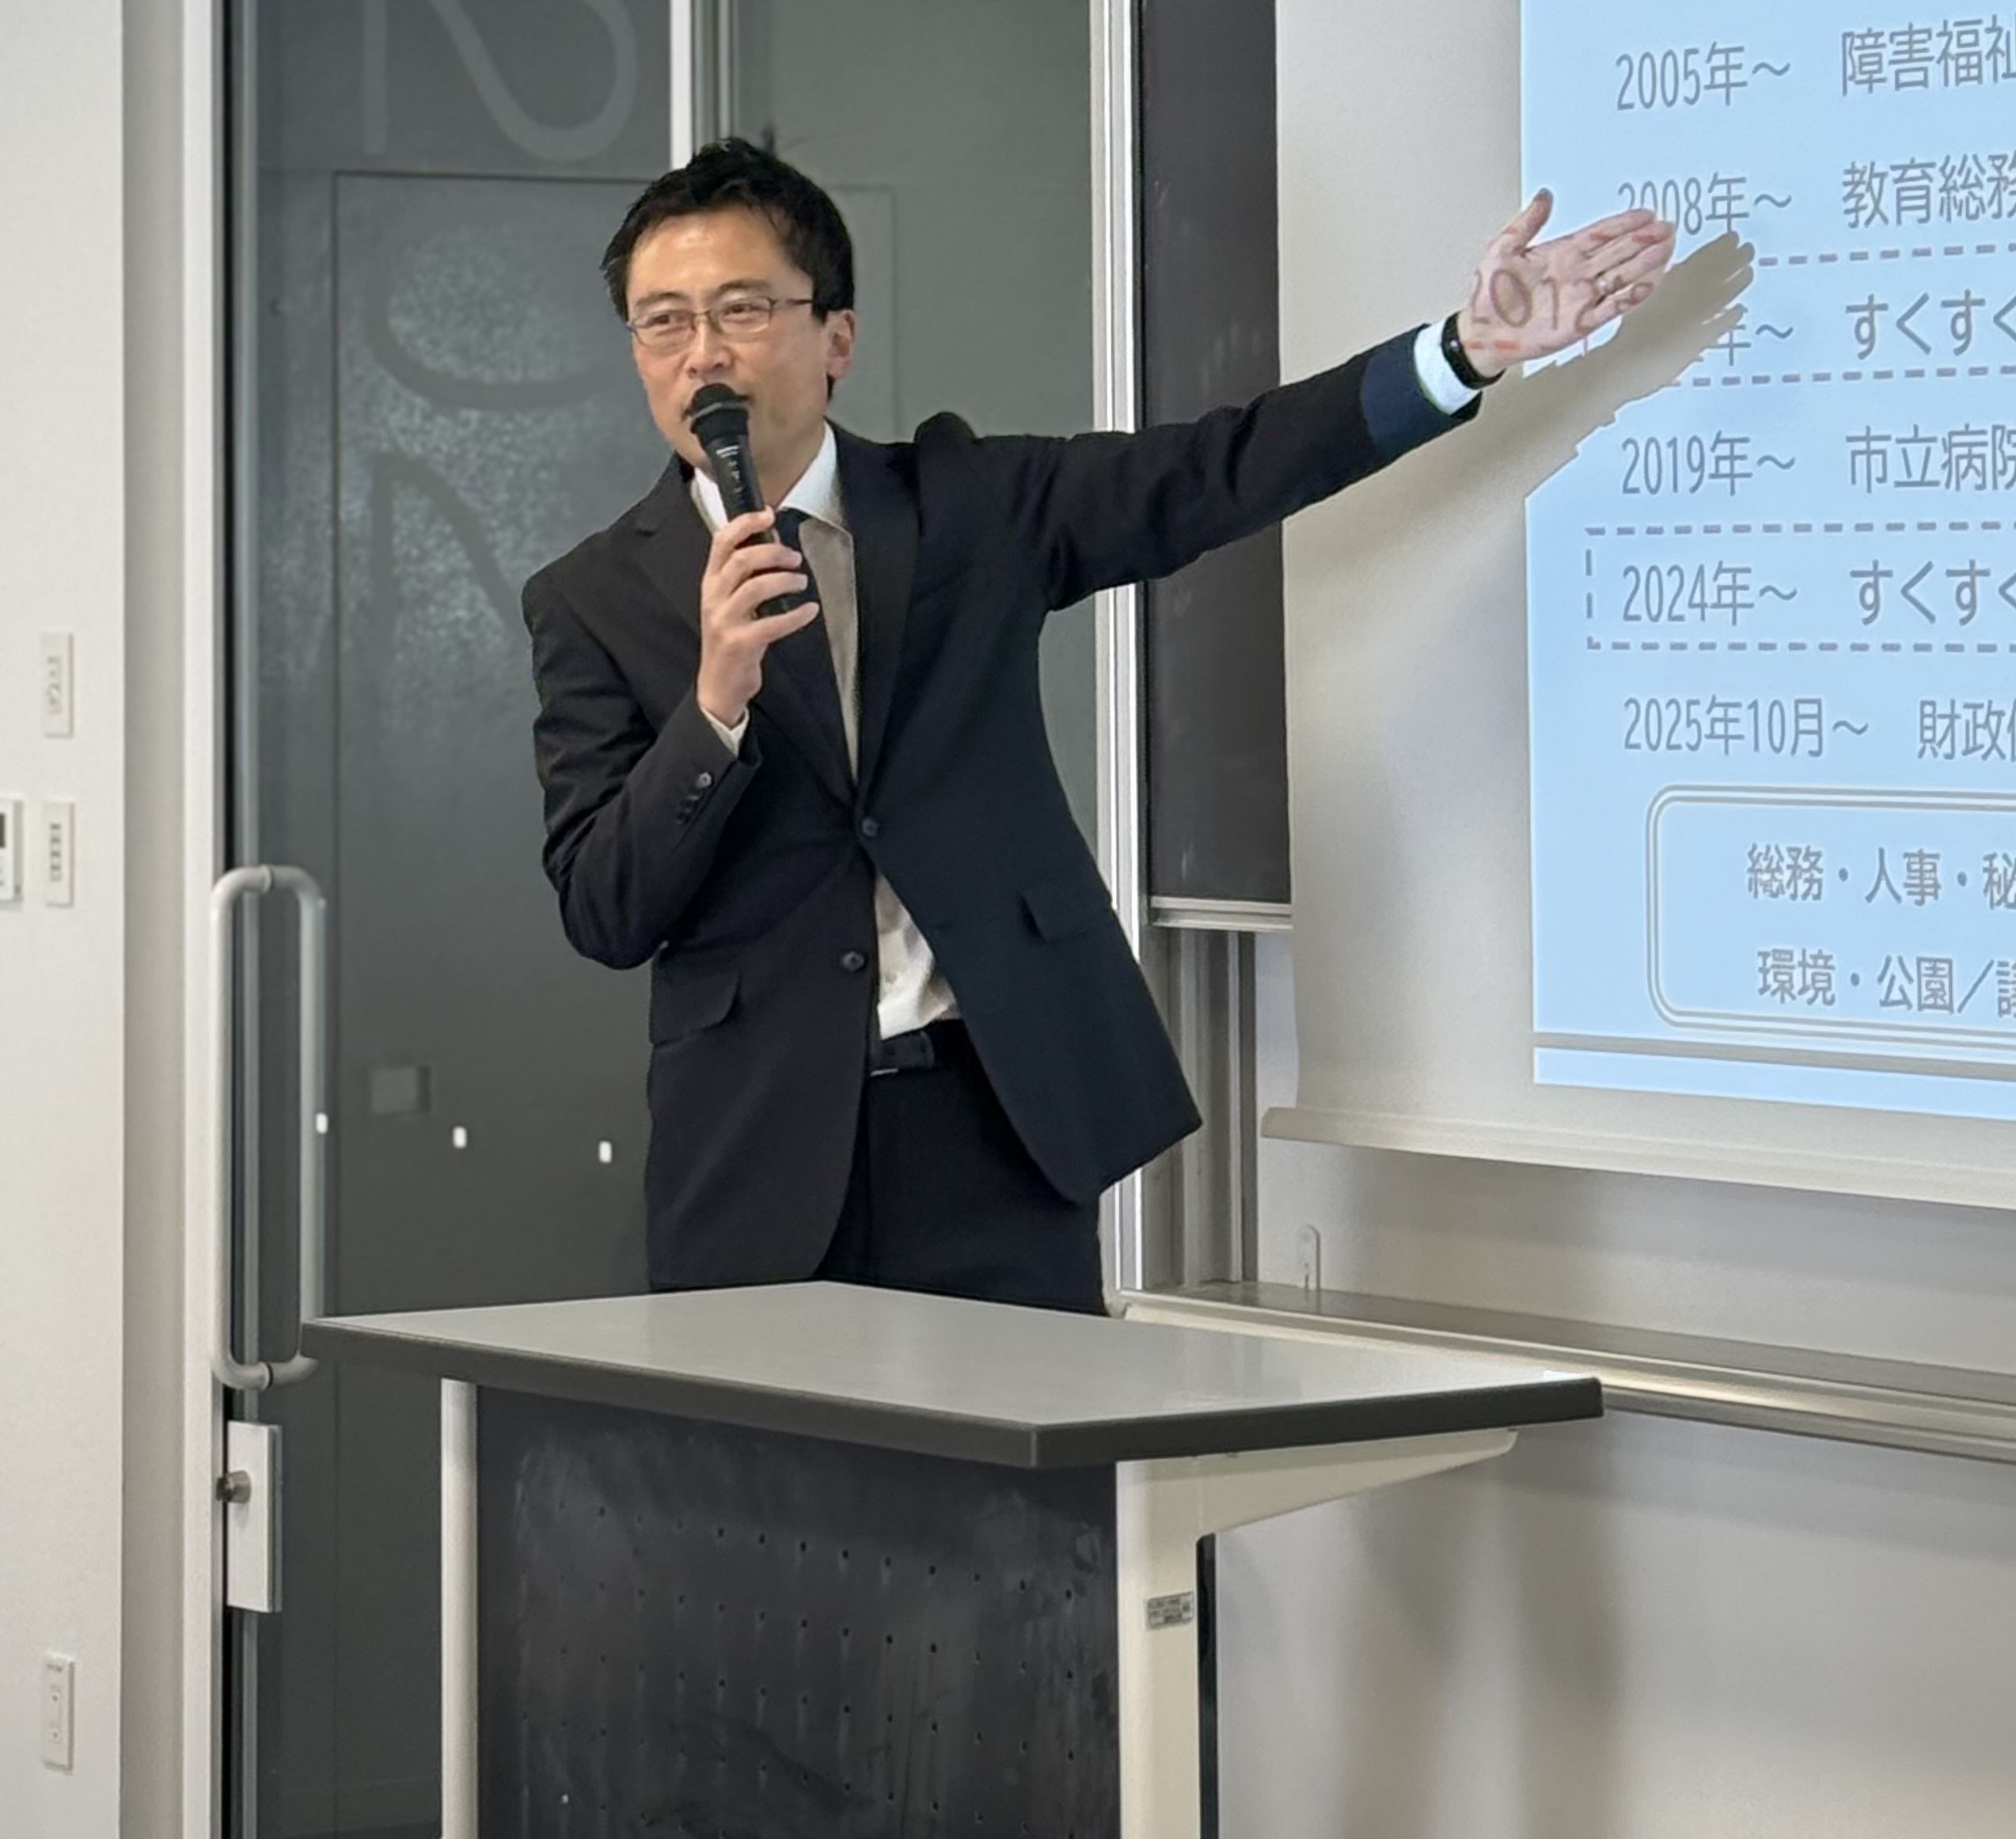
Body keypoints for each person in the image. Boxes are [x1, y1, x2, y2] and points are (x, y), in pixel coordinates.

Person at [523, 140, 1672, 1313]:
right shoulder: (590, 601)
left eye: (742, 310)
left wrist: (1459, 353)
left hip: (995, 1117)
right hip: (753, 1149)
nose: (703, 354)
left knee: (1023, 1432)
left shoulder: (968, 504)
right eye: (663, 323)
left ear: (837, 338)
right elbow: (605, 909)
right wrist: (714, 708)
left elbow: (1218, 468)